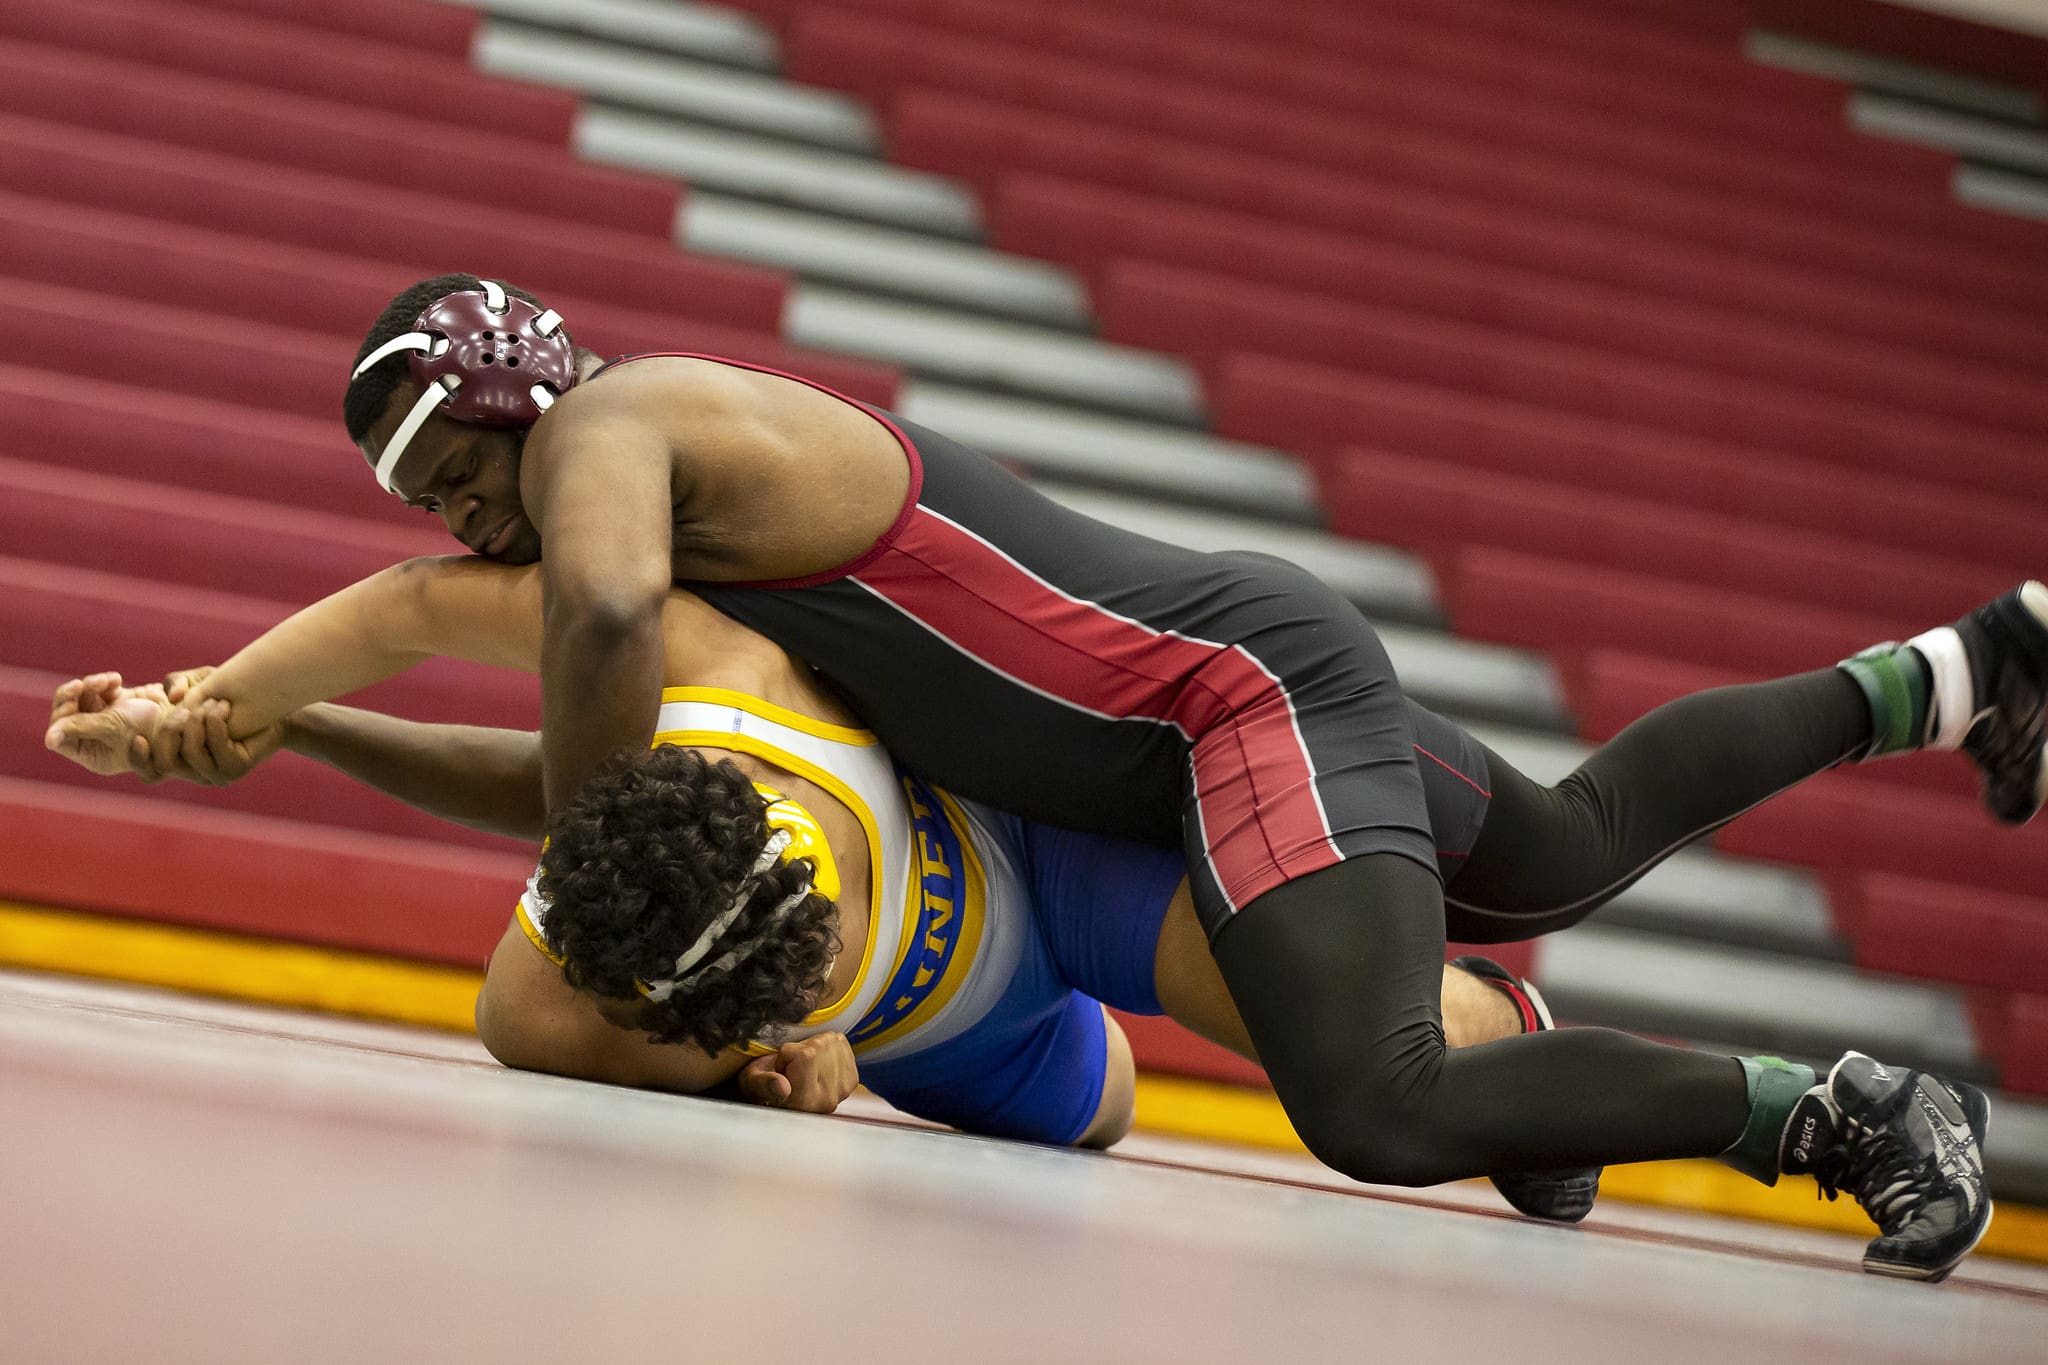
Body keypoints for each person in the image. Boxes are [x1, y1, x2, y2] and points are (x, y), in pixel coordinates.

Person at [253, 270, 2048, 1278]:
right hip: (1223, 694)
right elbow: (547, 642)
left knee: (1380, 1103)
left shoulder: (614, 441)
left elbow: (602, 622)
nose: (457, 523)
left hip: (1220, 715)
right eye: (428, 509)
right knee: (1565, 849)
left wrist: (595, 832)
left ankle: (1833, 1115)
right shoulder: (633, 474)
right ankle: (1961, 670)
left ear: (514, 405)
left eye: (450, 477)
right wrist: (291, 715)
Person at [45, 557, 1537, 1158]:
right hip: (944, 1028)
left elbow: (431, 604)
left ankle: (1517, 1024)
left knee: (1359, 1046)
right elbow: (488, 715)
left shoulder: (730, 665)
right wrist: (241, 710)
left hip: (1019, 857)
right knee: (1106, 1111)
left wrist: (249, 711)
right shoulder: (555, 1001)